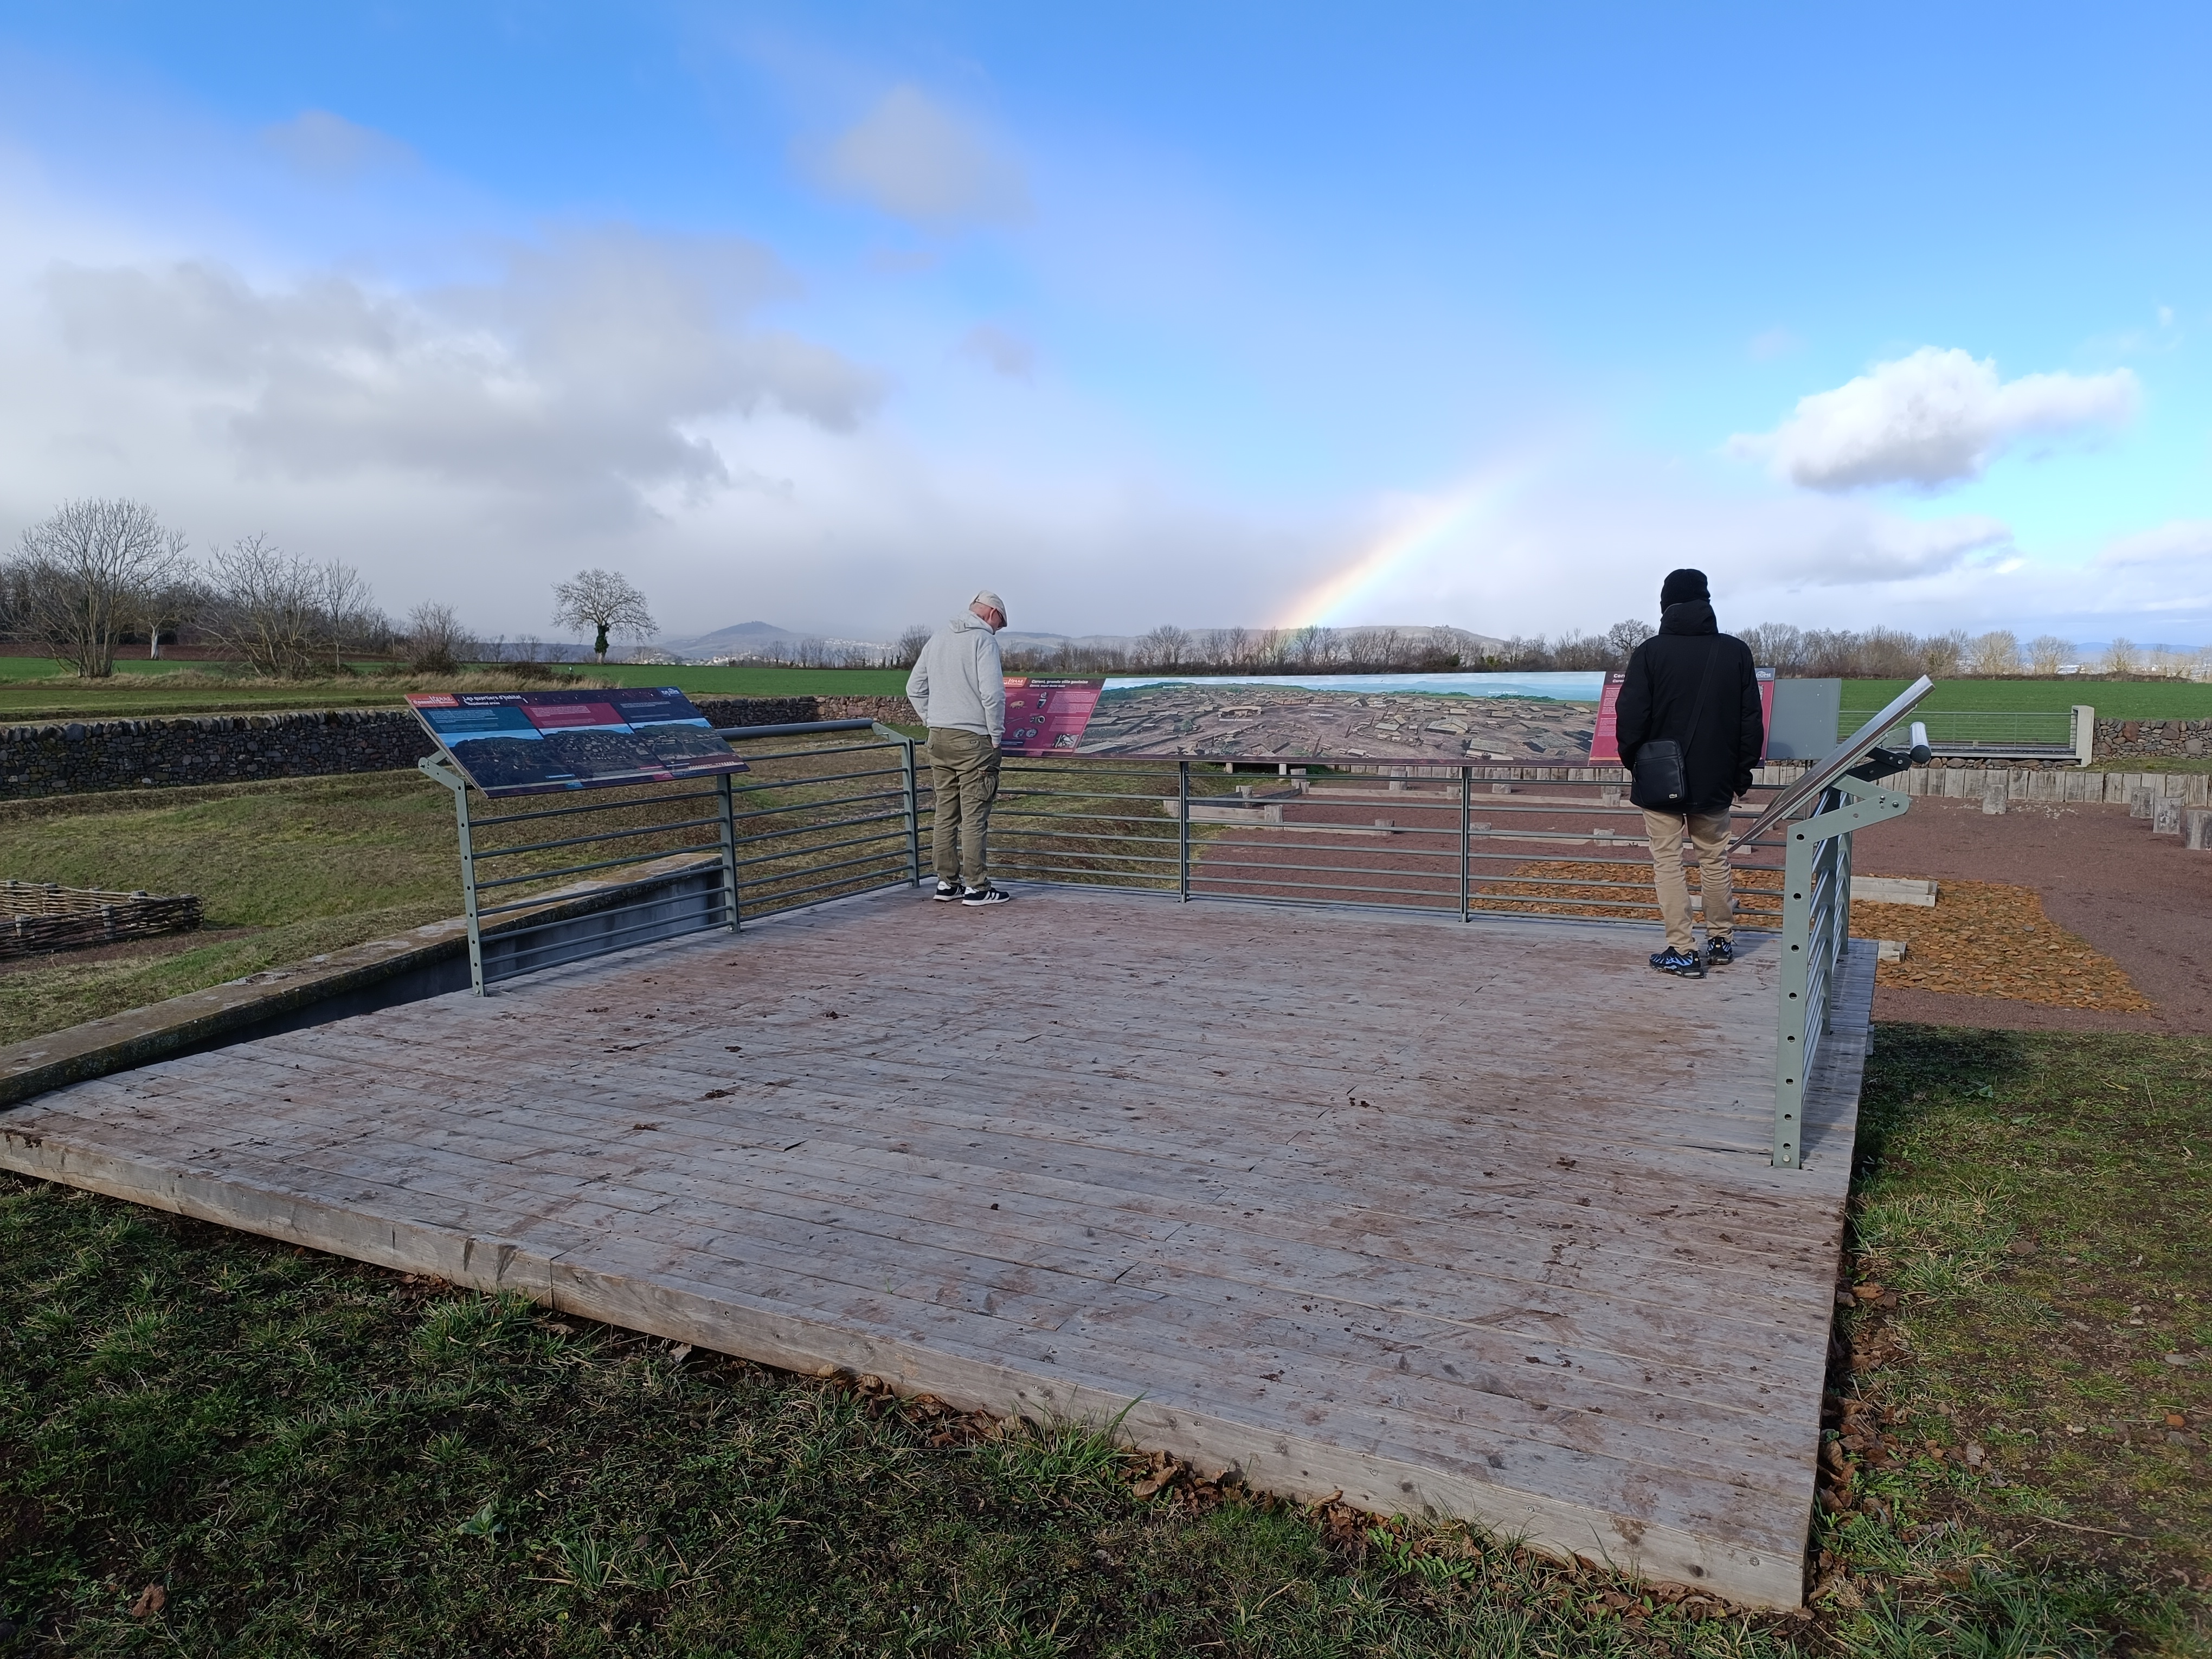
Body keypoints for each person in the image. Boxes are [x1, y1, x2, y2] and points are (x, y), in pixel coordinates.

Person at [1613, 568, 1764, 978]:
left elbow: (1630, 719)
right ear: (1706, 602)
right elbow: (1750, 721)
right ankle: (1721, 941)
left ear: (1666, 605)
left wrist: (1636, 763)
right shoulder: (1735, 652)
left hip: (1660, 777)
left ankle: (1682, 950)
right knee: (1714, 860)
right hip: (1716, 777)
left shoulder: (1649, 652)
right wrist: (1741, 773)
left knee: (1668, 862)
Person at [906, 590, 1013, 906]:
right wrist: (996, 734)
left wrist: (932, 719)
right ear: (992, 613)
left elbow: (914, 688)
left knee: (945, 814)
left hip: (938, 739)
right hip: (974, 741)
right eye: (1000, 624)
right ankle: (977, 888)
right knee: (974, 817)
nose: (998, 630)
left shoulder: (938, 638)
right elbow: (993, 694)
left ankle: (946, 883)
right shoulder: (983, 641)